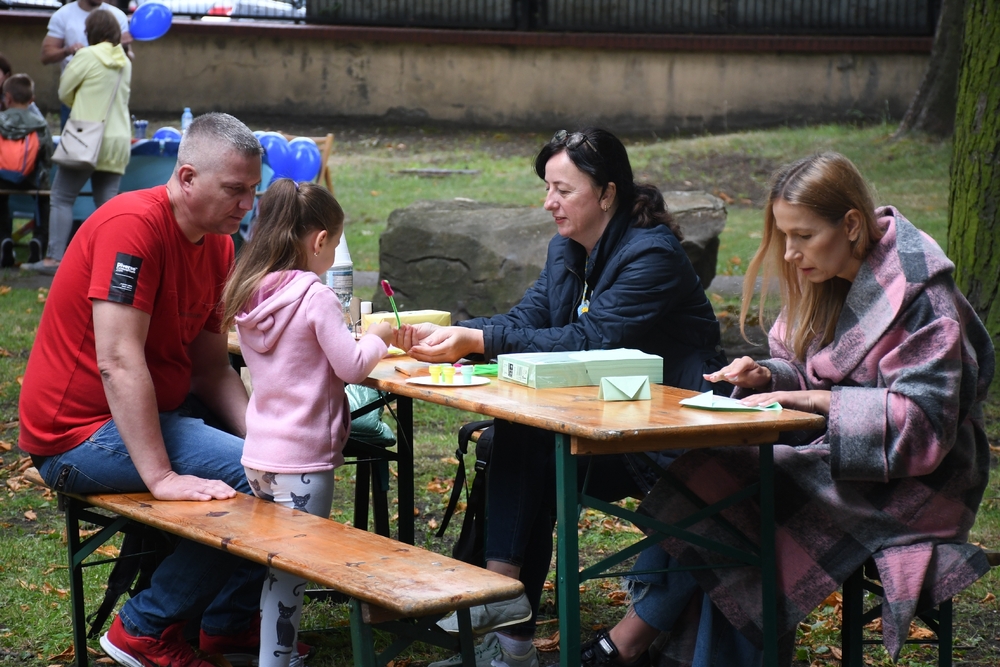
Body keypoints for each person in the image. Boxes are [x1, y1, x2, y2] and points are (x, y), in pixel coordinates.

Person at [585, 152, 994, 667]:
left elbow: (926, 427)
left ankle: (631, 640)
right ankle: (646, 646)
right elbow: (812, 371)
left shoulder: (918, 291)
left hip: (920, 484)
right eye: (784, 236)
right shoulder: (829, 272)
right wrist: (769, 376)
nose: (791, 252)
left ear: (850, 224)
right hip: (847, 458)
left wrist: (818, 400)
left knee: (744, 495)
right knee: (723, 480)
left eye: (803, 235)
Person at [395, 128, 726, 667]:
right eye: (547, 188)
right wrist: (459, 334)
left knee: (525, 445)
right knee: (518, 434)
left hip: (668, 434)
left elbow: (591, 341)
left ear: (607, 193)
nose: (549, 202)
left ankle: (501, 609)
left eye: (563, 190)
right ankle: (506, 630)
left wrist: (477, 340)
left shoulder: (652, 255)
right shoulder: (566, 249)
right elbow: (529, 318)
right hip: (600, 420)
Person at [18, 112, 285, 667]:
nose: (247, 205)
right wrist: (161, 478)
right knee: (258, 477)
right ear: (187, 178)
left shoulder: (218, 246)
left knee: (280, 463)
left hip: (152, 418)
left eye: (252, 190)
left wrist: (271, 438)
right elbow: (117, 362)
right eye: (234, 190)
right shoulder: (132, 226)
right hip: (76, 436)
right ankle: (145, 628)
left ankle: (227, 626)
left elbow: (211, 370)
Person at [220, 179, 393, 667]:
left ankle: (268, 653)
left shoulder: (250, 290)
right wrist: (379, 335)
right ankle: (277, 660)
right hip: (303, 463)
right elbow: (352, 366)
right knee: (291, 576)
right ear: (319, 242)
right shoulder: (315, 296)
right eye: (333, 245)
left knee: (273, 566)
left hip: (258, 455)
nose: (332, 255)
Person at [28, 9, 131, 275]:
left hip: (86, 136)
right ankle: (111, 261)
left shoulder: (86, 55)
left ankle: (54, 259)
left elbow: (64, 92)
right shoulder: (125, 60)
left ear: (90, 33)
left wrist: (81, 103)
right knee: (108, 205)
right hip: (118, 140)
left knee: (62, 196)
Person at [40, 0, 132, 129]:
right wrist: (67, 50)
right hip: (82, 98)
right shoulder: (63, 15)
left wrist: (125, 47)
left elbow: (127, 57)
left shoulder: (118, 15)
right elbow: (46, 56)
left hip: (108, 99)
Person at [0, 73, 52, 268]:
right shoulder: (40, 124)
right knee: (44, 200)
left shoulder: (1, 120)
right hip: (32, 178)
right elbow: (47, 155)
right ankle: (39, 239)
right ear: (32, 100)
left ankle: (4, 238)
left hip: (2, 177)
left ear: (7, 98)